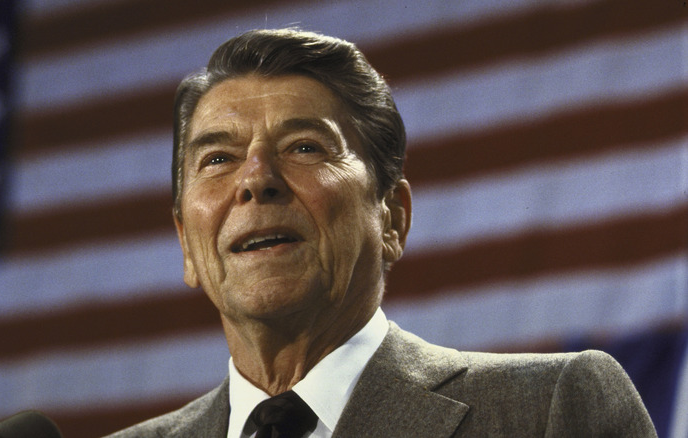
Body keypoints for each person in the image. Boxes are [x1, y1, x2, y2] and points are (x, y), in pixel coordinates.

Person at [107, 28, 656, 437]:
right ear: (186, 243)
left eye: (304, 147)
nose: (255, 179)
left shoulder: (548, 411)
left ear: (392, 216)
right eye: (219, 158)